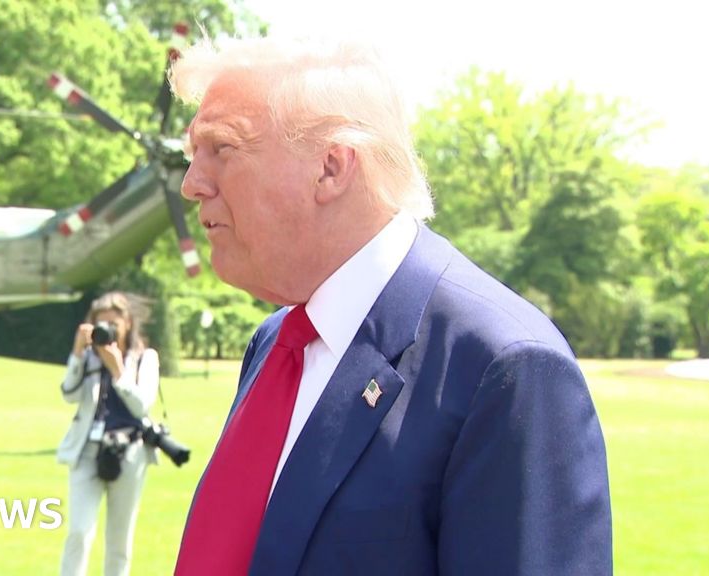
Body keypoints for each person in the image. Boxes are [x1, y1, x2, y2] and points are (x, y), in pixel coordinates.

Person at [170, 36, 612, 575]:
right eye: (193, 155)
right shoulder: (277, 342)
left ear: (331, 168)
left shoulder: (506, 367)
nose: (191, 184)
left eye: (222, 149)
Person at [57, 292, 159, 576]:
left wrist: (118, 371)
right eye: (101, 324)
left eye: (114, 324)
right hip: (87, 450)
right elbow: (69, 394)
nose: (108, 330)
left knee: (119, 541)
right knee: (78, 532)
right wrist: (77, 354)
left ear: (128, 323)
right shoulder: (89, 357)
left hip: (130, 452)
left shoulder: (145, 358)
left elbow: (142, 405)